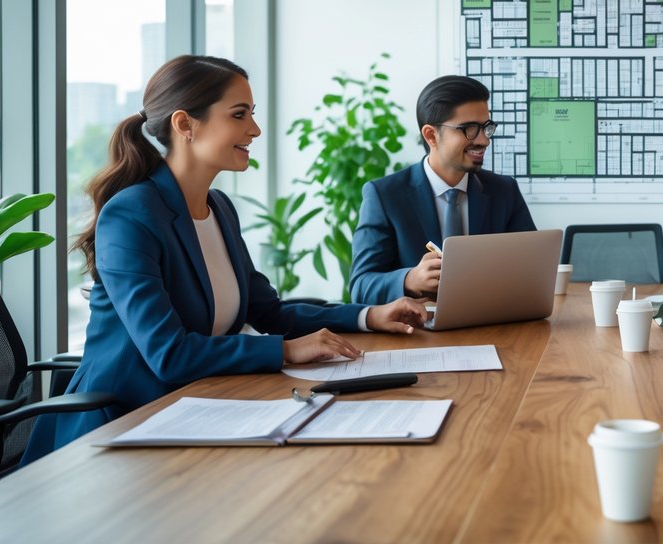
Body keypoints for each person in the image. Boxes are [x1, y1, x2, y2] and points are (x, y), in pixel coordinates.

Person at [23, 56, 427, 462]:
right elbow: (169, 355)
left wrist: (369, 316)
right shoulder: (131, 214)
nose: (254, 129)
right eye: (239, 115)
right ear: (185, 125)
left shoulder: (219, 207)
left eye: (252, 114)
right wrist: (285, 351)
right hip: (120, 427)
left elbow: (270, 313)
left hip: (198, 406)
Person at [350, 75, 535, 304]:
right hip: (418, 335)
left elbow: (532, 271)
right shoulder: (385, 196)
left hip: (493, 324)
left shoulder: (504, 191)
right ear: (431, 135)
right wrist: (409, 279)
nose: (484, 141)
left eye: (486, 127)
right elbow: (361, 285)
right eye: (469, 129)